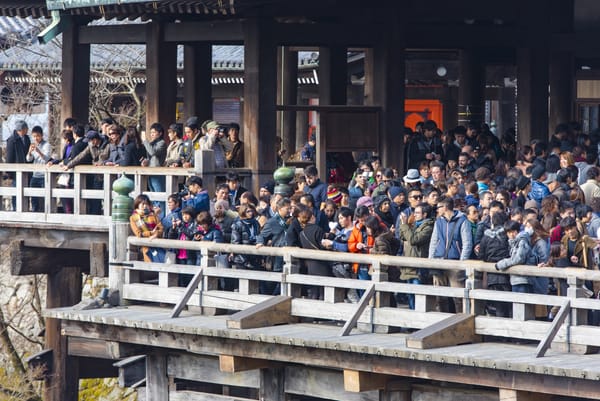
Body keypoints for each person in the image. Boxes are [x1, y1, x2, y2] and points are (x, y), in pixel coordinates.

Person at [428, 197, 472, 312]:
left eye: (438, 207)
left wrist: (461, 263)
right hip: (439, 261)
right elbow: (434, 241)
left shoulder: (462, 221)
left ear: (445, 207)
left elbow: (467, 243)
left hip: (455, 262)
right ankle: (443, 320)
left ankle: (460, 320)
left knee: (458, 296)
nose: (437, 210)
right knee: (440, 296)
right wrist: (430, 260)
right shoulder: (439, 221)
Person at [398, 203, 434, 309]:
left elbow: (414, 240)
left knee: (418, 295)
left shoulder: (428, 227)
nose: (415, 215)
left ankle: (418, 320)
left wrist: (405, 226)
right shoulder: (413, 225)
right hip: (408, 265)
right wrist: (404, 225)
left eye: (418, 213)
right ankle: (412, 321)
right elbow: (403, 237)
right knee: (410, 295)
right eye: (415, 212)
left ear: (425, 214)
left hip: (418, 267)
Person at [478, 211, 512, 317]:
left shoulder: (486, 237)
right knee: (507, 306)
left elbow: (481, 256)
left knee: (496, 306)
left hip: (492, 275)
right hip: (507, 273)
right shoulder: (507, 235)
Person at [129, 194, 164, 263]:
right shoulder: (133, 218)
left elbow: (161, 228)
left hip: (157, 244)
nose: (145, 206)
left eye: (147, 204)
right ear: (137, 205)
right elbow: (138, 233)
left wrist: (156, 234)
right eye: (143, 204)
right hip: (146, 247)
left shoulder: (153, 215)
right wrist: (151, 233)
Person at [6, 120, 30, 210]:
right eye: (26, 128)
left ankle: (25, 209)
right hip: (16, 171)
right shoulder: (12, 140)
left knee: (25, 192)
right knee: (16, 191)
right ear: (22, 129)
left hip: (26, 170)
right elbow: (9, 157)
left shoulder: (26, 138)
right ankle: (15, 209)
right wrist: (9, 172)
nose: (27, 130)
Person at [26, 126, 51, 212]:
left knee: (45, 196)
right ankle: (34, 212)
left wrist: (38, 151)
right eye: (34, 136)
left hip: (44, 175)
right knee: (33, 196)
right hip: (35, 175)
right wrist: (29, 152)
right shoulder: (33, 145)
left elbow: (47, 158)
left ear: (41, 135)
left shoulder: (47, 145)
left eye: (37, 136)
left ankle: (45, 212)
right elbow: (28, 159)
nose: (36, 138)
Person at [230, 203, 262, 270]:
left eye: (251, 211)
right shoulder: (237, 224)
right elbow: (236, 243)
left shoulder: (255, 223)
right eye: (248, 211)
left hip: (254, 256)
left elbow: (259, 235)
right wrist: (244, 261)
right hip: (241, 259)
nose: (250, 213)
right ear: (243, 212)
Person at [143, 122, 167, 207]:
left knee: (159, 195)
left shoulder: (162, 143)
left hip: (158, 172)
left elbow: (153, 152)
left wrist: (145, 142)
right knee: (153, 196)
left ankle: (162, 216)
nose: (152, 134)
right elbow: (150, 157)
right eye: (151, 132)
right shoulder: (152, 143)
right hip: (150, 172)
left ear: (160, 133)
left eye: (154, 132)